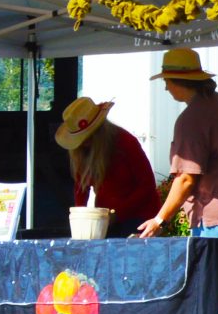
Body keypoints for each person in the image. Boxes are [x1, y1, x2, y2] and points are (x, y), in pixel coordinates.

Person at [137, 49, 218, 240]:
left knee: (211, 269)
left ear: (178, 82)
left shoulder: (191, 119)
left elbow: (186, 179)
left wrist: (160, 220)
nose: (166, 88)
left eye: (166, 82)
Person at [54, 97, 162, 236]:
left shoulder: (125, 142)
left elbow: (146, 185)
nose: (84, 142)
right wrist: (80, 217)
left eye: (87, 137)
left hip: (140, 217)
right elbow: (81, 187)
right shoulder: (81, 151)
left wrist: (117, 213)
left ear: (98, 131)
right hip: (107, 217)